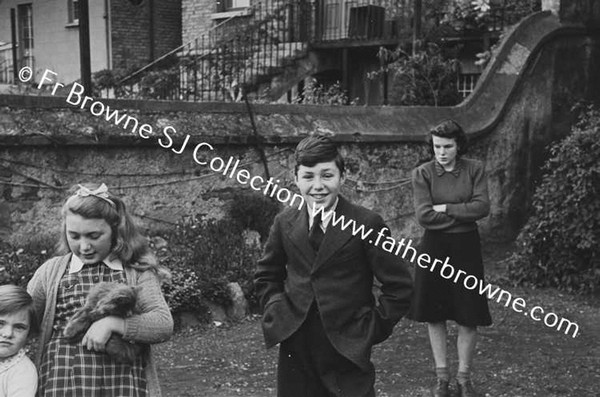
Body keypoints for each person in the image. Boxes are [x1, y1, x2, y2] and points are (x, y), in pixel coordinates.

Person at [254, 135, 413, 397]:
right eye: (308, 177)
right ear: (296, 179)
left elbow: (400, 286)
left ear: (342, 177)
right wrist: (276, 309)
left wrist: (371, 329)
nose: (318, 186)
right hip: (297, 346)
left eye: (327, 175)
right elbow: (266, 276)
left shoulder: (367, 224)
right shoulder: (285, 222)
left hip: (347, 347)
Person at [27, 183, 173, 397]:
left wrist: (114, 323)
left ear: (116, 231)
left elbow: (163, 324)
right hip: (62, 381)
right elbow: (23, 318)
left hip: (121, 383)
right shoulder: (51, 272)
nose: (84, 246)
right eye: (74, 236)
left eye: (94, 236)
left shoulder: (136, 272)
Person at [408, 120, 492, 397]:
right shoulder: (423, 173)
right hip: (434, 248)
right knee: (435, 313)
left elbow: (482, 207)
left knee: (469, 315)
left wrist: (444, 207)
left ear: (459, 146)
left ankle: (464, 379)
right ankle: (442, 379)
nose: (441, 152)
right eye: (436, 147)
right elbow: (424, 216)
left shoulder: (475, 169)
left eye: (447, 146)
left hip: (466, 248)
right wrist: (460, 214)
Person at [0, 284, 38, 397]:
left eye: (19, 327)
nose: (8, 334)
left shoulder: (23, 372)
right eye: (0, 324)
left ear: (29, 333)